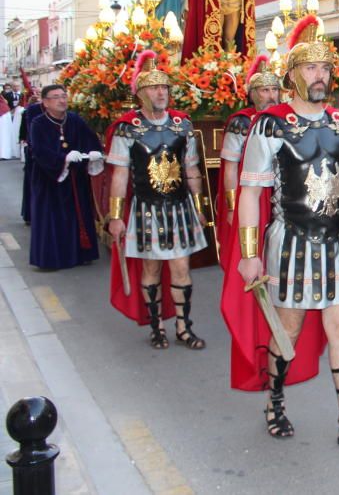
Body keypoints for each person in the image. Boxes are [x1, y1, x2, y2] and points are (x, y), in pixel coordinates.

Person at [223, 14, 339, 457]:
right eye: (311, 68)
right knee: (287, 331)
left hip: (338, 242)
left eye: (325, 68)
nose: (320, 76)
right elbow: (251, 193)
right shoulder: (270, 125)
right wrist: (250, 253)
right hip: (290, 242)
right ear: (292, 75)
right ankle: (275, 402)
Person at [105, 51, 209, 350]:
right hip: (146, 210)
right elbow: (120, 175)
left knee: (181, 268)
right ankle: (156, 327)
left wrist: (200, 208)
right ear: (140, 93)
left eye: (164, 87)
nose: (161, 92)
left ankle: (183, 327)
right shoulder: (128, 128)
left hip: (179, 208)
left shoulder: (182, 126)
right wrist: (115, 216)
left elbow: (191, 169)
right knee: (151, 270)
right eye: (154, 87)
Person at [28, 85, 103, 269]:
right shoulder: (38, 124)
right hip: (50, 179)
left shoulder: (75, 120)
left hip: (76, 180)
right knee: (52, 218)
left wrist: (93, 152)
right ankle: (52, 259)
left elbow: (90, 140)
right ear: (45, 102)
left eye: (63, 96)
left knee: (77, 215)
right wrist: (63, 159)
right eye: (56, 97)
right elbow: (39, 151)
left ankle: (79, 254)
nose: (62, 100)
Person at [215, 55, 280, 264]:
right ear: (253, 95)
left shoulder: (284, 118)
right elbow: (230, 168)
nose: (271, 95)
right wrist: (232, 206)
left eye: (274, 90)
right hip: (253, 192)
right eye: (265, 90)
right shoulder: (240, 123)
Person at [20, 97, 44, 223]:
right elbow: (27, 131)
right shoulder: (33, 111)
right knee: (33, 183)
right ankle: (32, 214)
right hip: (35, 153)